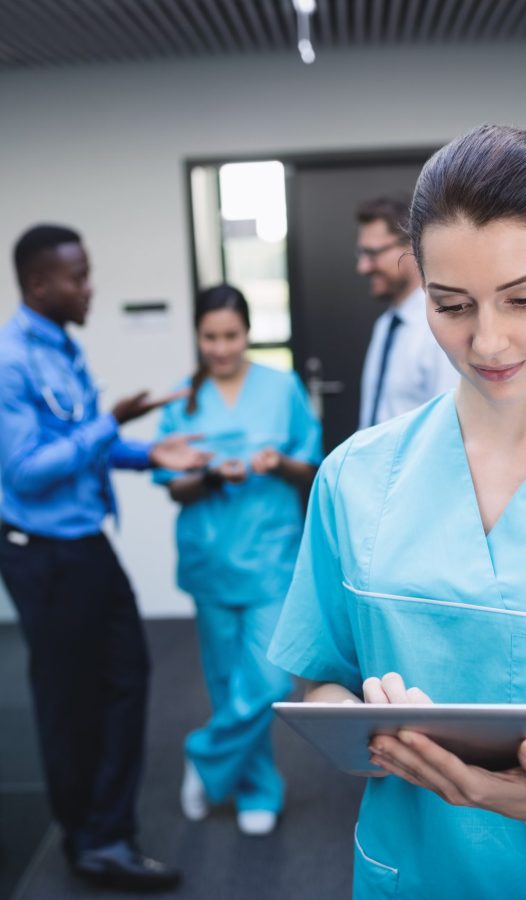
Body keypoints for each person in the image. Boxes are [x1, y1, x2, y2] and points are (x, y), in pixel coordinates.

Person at [269, 125, 526, 899]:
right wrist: (368, 724)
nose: (488, 341)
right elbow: (317, 677)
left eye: (523, 300)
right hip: (409, 871)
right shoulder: (356, 478)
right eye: (452, 305)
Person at [0, 224, 212, 892]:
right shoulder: (11, 360)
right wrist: (111, 422)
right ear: (40, 284)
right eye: (79, 276)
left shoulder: (61, 345)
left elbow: (81, 447)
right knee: (73, 698)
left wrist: (152, 452)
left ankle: (104, 827)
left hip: (80, 545)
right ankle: (94, 842)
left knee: (120, 679)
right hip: (47, 554)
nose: (89, 287)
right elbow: (29, 471)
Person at [154, 284, 322, 836]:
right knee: (228, 684)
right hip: (210, 559)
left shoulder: (281, 388)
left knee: (271, 681)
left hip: (271, 559)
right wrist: (207, 475)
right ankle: (256, 788)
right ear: (198, 336)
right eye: (210, 337)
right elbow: (173, 486)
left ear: (247, 333)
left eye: (231, 335)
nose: (222, 348)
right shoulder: (182, 399)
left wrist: (277, 463)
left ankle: (203, 754)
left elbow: (311, 467)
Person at [356, 194, 457, 428]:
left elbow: (448, 424)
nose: (362, 267)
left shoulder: (440, 326)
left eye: (372, 253)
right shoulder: (386, 324)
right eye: (361, 254)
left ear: (411, 248)